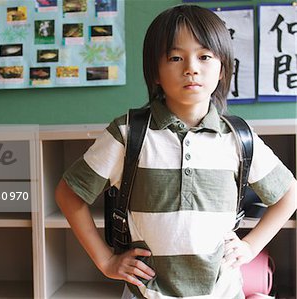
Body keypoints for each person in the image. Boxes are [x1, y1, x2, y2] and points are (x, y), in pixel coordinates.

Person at [55, 4, 296, 299]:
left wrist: (251, 246)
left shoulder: (237, 137)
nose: (191, 67)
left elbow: (288, 194)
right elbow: (69, 193)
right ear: (155, 72)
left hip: (223, 293)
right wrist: (105, 260)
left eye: (204, 56)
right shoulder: (128, 133)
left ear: (222, 68)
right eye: (175, 57)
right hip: (146, 293)